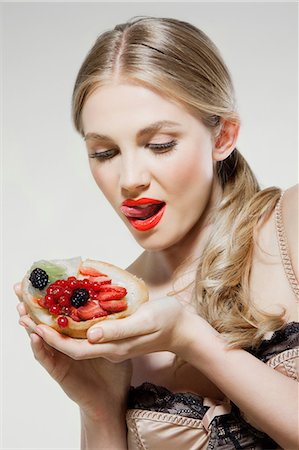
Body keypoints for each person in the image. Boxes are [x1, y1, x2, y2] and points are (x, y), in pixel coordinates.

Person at [15, 16, 298, 450]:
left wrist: (192, 339)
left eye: (160, 144)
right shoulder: (118, 315)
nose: (129, 178)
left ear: (223, 135)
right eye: (104, 152)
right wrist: (99, 407)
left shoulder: (289, 225)